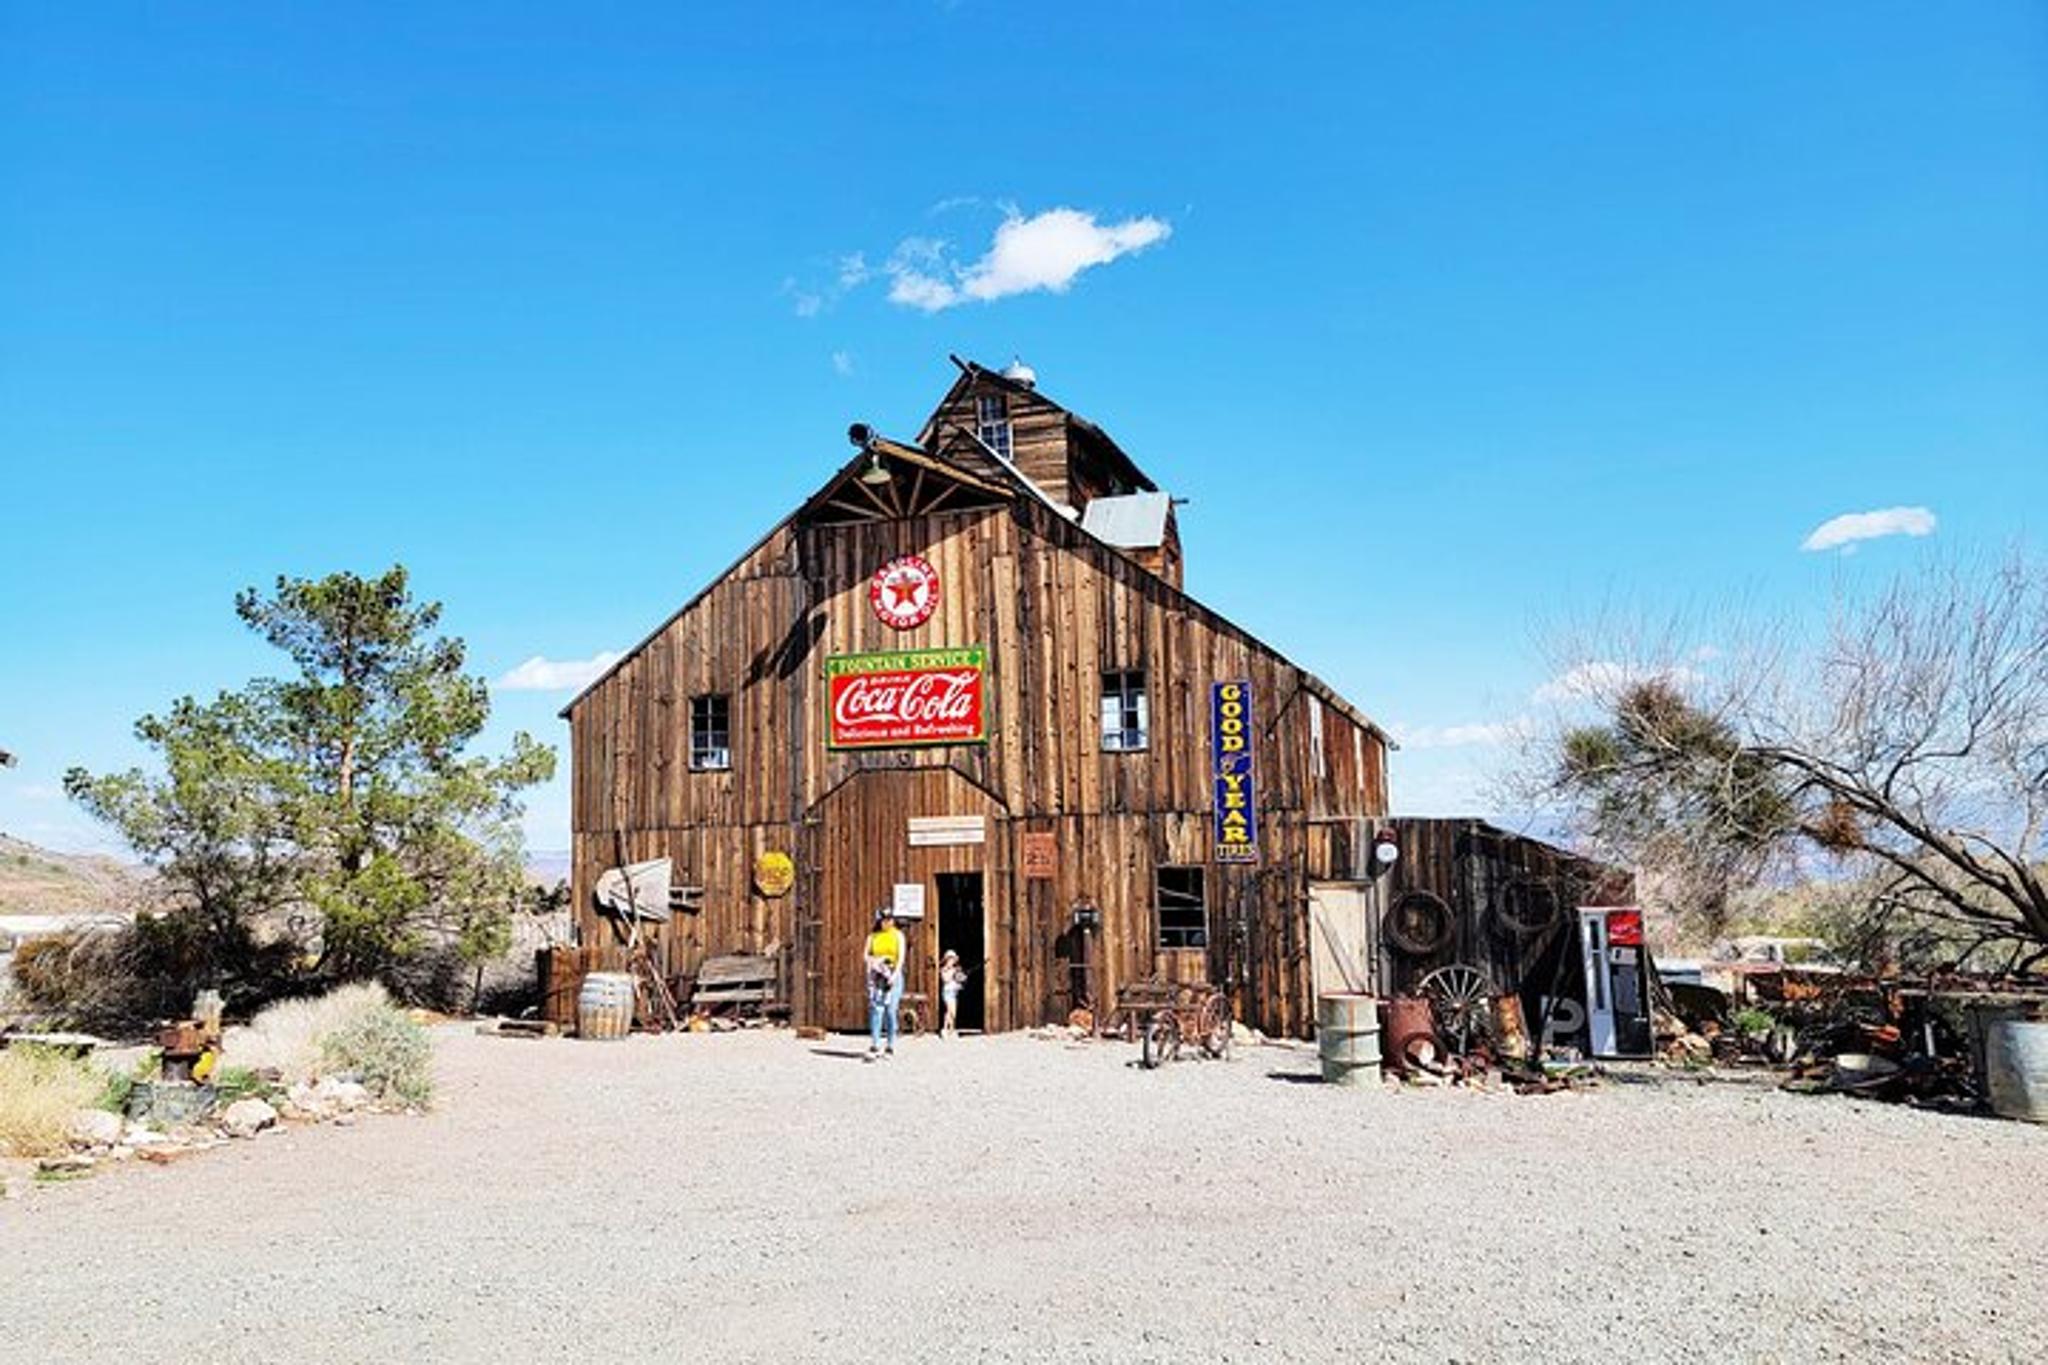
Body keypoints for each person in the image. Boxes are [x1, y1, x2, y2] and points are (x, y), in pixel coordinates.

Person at [864, 910, 906, 1060]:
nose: (888, 922)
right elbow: (866, 955)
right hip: (877, 975)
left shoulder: (898, 935)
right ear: (880, 921)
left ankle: (890, 1045)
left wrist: (894, 975)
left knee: (891, 1010)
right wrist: (876, 962)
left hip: (893, 975)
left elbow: (901, 957)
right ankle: (875, 1044)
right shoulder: (872, 936)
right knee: (876, 1009)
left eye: (890, 919)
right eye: (885, 919)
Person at [938, 949, 967, 1038]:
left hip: (954, 993)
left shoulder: (956, 969)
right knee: (949, 1011)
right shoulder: (944, 970)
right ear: (946, 960)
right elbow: (946, 979)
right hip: (947, 993)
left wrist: (962, 978)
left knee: (953, 1013)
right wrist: (952, 972)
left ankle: (951, 1030)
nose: (951, 962)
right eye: (950, 960)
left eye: (953, 960)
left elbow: (960, 979)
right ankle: (945, 1029)